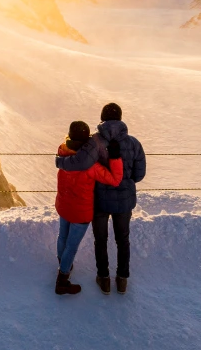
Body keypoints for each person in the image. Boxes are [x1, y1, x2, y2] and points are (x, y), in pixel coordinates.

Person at [53, 120, 123, 295]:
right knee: (72, 245)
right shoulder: (91, 166)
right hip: (80, 212)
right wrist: (114, 157)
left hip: (63, 205)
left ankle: (63, 264)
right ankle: (62, 279)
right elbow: (115, 179)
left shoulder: (62, 153)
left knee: (62, 236)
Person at [91, 102, 147, 295]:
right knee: (123, 240)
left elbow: (85, 170)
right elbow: (139, 175)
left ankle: (103, 279)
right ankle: (122, 280)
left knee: (101, 239)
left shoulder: (94, 142)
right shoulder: (133, 143)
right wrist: (126, 181)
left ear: (102, 119)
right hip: (124, 200)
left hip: (99, 199)